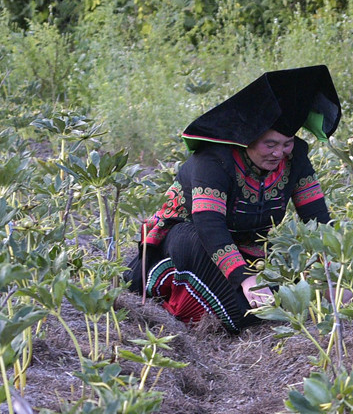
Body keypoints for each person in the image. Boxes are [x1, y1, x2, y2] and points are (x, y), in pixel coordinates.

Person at [127, 66, 340, 331]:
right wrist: (244, 278)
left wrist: (333, 274)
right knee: (243, 314)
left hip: (250, 249)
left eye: (286, 144)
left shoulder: (296, 158)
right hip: (189, 240)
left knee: (294, 299)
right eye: (270, 144)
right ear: (247, 138)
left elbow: (317, 218)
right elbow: (208, 224)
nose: (279, 153)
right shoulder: (214, 159)